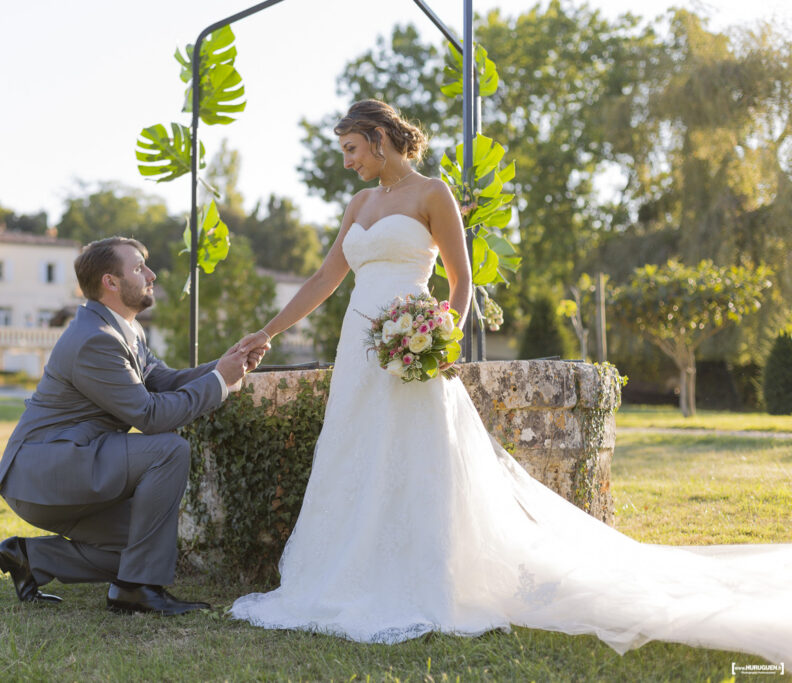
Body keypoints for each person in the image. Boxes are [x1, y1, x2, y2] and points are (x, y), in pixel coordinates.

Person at [229, 100, 792, 663]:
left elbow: (461, 280)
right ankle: (346, 575)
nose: (347, 162)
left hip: (413, 349)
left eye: (351, 149)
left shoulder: (433, 194)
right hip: (359, 350)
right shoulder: (358, 203)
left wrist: (438, 338)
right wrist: (267, 332)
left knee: (413, 457)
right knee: (356, 454)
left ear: (379, 138)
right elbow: (327, 277)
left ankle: (425, 578)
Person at [0, 236, 265, 615]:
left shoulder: (125, 330)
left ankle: (31, 558)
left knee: (145, 544)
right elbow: (149, 416)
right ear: (111, 282)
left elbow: (164, 382)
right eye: (139, 267)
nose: (151, 274)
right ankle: (136, 590)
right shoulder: (95, 340)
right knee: (168, 449)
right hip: (45, 472)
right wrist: (220, 383)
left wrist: (226, 365)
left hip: (69, 467)